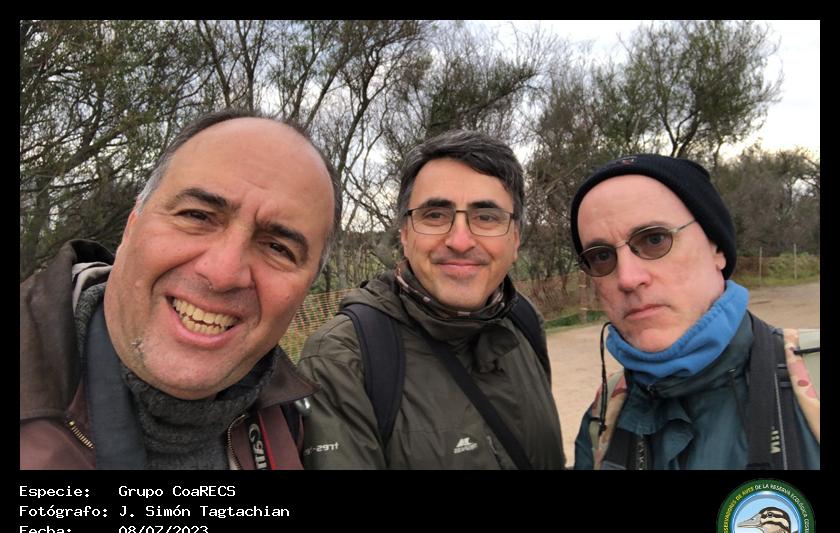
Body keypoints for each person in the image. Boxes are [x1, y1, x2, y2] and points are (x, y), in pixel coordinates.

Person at [20, 109, 341, 470]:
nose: (222, 274)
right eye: (197, 216)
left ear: (305, 288)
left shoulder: (291, 419)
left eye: (278, 248)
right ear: (132, 225)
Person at [297, 130, 565, 469]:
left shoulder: (523, 321)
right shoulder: (343, 360)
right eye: (435, 215)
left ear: (515, 239)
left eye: (486, 217)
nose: (460, 241)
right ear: (405, 234)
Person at [570, 154, 819, 470]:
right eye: (602, 256)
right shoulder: (604, 416)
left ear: (717, 248)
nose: (628, 278)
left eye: (655, 240)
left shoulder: (813, 380)